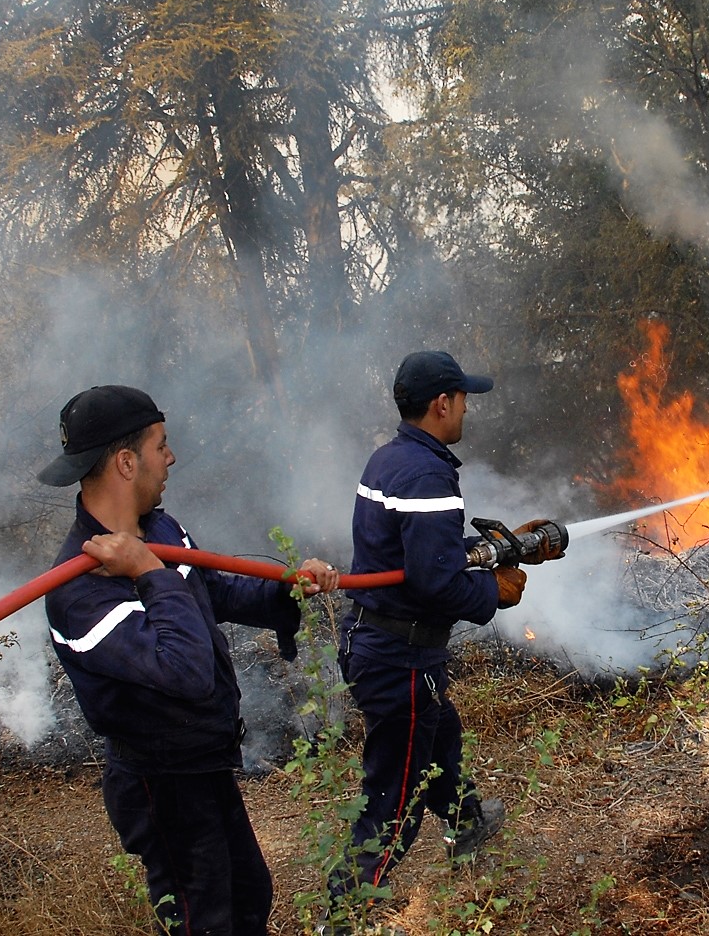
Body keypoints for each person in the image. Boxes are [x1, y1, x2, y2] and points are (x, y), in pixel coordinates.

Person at [38, 384, 340, 936]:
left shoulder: (161, 529)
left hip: (203, 761)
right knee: (207, 921)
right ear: (126, 462)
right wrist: (148, 572)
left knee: (250, 893)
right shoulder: (78, 593)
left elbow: (211, 593)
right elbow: (185, 671)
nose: (170, 457)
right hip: (161, 782)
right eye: (161, 445)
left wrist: (287, 592)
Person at [327, 352, 561, 928]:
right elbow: (434, 581)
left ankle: (467, 822)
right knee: (395, 797)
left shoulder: (393, 458)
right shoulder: (428, 473)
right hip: (399, 657)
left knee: (441, 735)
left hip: (381, 643)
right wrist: (493, 594)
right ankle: (343, 912)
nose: (465, 410)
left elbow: (421, 553)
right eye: (462, 400)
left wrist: (499, 549)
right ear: (441, 404)